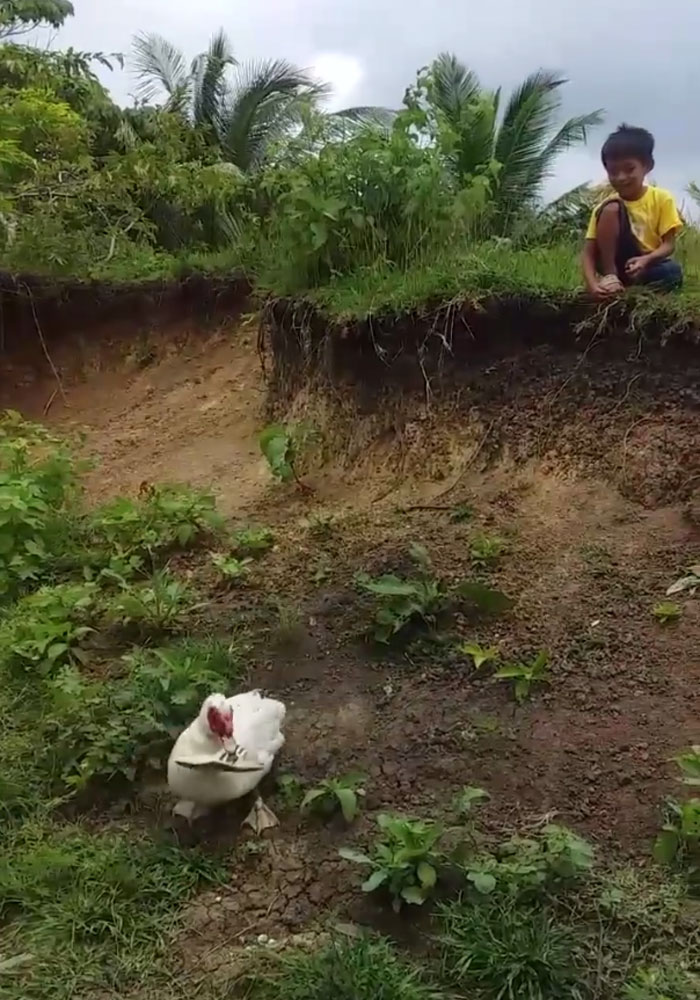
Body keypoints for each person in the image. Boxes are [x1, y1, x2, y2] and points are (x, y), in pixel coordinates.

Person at [581, 125, 683, 299]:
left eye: (629, 169)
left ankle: (628, 290)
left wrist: (646, 260)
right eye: (613, 172)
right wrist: (592, 284)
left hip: (646, 264)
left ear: (647, 166)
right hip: (616, 263)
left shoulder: (662, 198)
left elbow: (668, 245)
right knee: (611, 208)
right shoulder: (604, 208)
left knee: (672, 271)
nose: (621, 177)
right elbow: (588, 253)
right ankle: (610, 277)